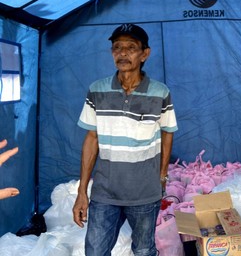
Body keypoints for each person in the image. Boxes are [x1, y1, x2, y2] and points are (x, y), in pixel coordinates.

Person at [72, 23, 178, 256]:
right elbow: (91, 138)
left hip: (144, 193)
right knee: (95, 251)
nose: (122, 53)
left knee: (142, 250)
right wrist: (82, 192)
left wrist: (162, 176)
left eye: (131, 47)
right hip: (105, 192)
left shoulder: (160, 92)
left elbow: (167, 133)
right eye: (117, 47)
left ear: (144, 54)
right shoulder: (97, 90)